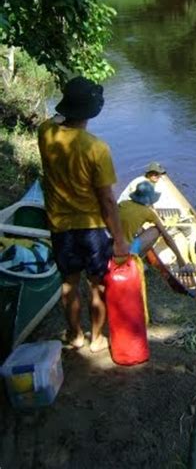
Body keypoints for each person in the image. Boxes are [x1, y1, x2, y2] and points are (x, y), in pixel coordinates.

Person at [38, 76, 129, 353]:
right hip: (90, 228)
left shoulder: (45, 132)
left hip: (60, 225)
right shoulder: (96, 148)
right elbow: (107, 200)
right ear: (91, 112)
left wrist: (66, 107)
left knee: (68, 284)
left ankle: (75, 335)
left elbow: (55, 118)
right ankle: (97, 339)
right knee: (96, 286)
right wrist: (119, 239)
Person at [118, 180, 186, 266]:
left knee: (140, 229)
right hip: (126, 251)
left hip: (113, 245)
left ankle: (133, 256)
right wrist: (179, 258)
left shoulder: (123, 203)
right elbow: (167, 237)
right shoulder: (147, 212)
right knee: (156, 230)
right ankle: (135, 260)